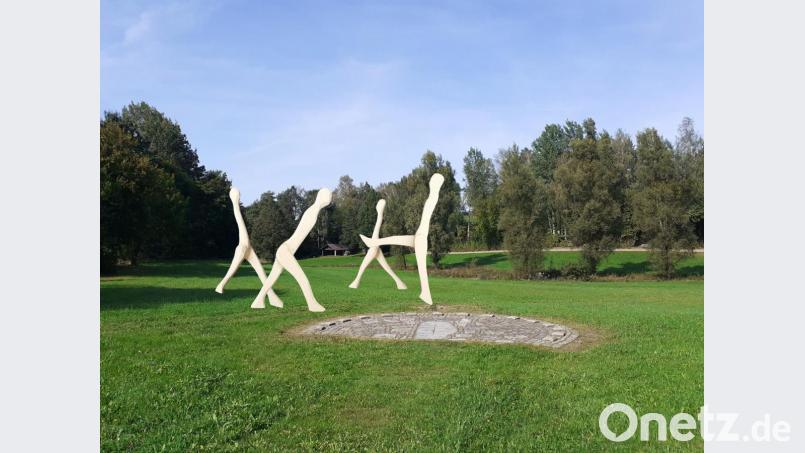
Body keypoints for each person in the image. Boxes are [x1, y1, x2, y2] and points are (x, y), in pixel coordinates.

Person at [251, 188, 332, 312]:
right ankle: (312, 304)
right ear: (322, 196)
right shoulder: (312, 212)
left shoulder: (313, 211)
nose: (330, 198)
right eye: (329, 195)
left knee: (271, 279)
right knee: (302, 278)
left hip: (285, 250)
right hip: (286, 251)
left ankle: (258, 300)